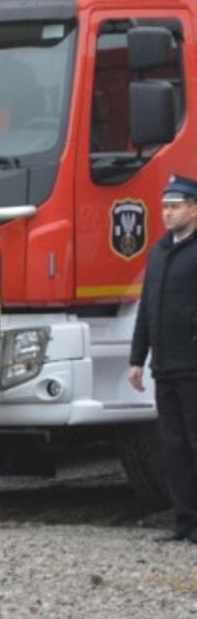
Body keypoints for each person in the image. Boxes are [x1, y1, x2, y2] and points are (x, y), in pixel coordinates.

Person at [129, 174, 197, 545]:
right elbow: (147, 308)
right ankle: (184, 522)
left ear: (194, 209)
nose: (167, 214)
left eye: (174, 207)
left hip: (193, 364)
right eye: (165, 207)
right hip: (166, 366)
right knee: (173, 448)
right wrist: (137, 358)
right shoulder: (159, 252)